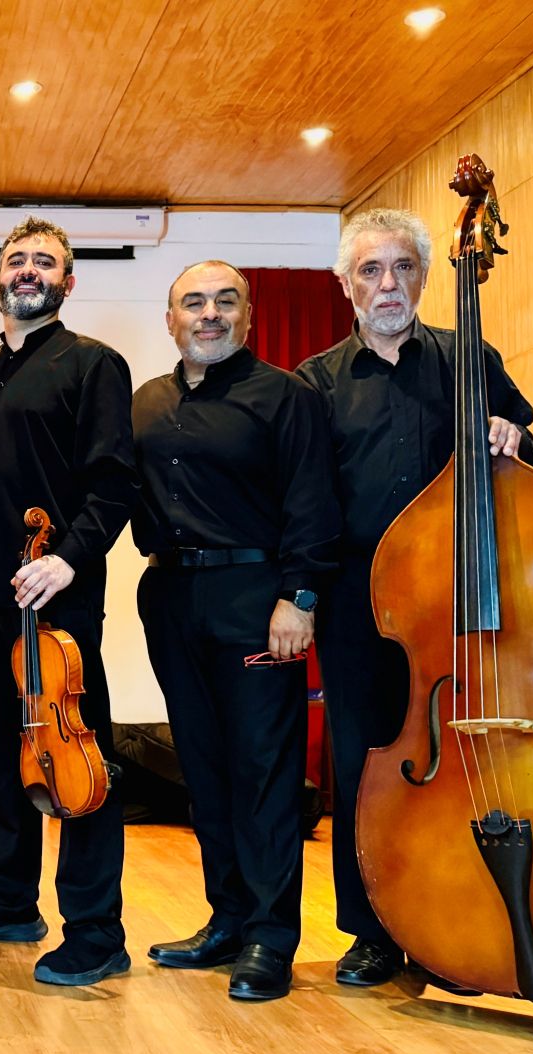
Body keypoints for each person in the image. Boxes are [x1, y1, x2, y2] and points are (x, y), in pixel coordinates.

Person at [294, 207, 533, 988]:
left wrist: (512, 436)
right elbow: (307, 500)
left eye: (402, 267)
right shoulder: (316, 382)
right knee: (366, 765)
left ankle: (456, 926)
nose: (388, 284)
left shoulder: (471, 358)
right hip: (360, 606)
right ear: (345, 285)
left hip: (460, 606)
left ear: (427, 277)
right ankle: (370, 932)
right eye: (370, 270)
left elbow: (528, 457)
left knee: (466, 764)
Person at [0, 216, 141, 987]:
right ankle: (10, 899)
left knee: (79, 757)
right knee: (0, 746)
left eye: (44, 262)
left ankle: (96, 930)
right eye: (16, 260)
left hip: (57, 599)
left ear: (66, 283)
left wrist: (67, 561)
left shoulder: (94, 365)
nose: (28, 271)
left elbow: (114, 483)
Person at [131, 261, 340, 1001]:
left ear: (248, 317)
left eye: (226, 301)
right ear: (171, 320)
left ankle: (270, 938)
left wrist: (299, 598)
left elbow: (314, 503)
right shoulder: (147, 403)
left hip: (257, 600)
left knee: (263, 770)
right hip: (169, 596)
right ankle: (226, 918)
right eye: (194, 302)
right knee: (203, 767)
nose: (210, 313)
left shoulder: (286, 396)